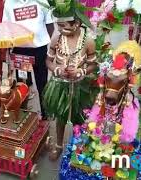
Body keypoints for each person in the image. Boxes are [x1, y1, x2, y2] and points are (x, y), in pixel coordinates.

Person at [43, 1, 99, 160]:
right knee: (60, 117)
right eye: (58, 26)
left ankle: (78, 146)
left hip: (80, 86)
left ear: (77, 24)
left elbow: (93, 64)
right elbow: (48, 61)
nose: (60, 29)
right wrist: (57, 70)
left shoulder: (88, 41)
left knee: (79, 117)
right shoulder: (56, 38)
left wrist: (81, 71)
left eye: (64, 25)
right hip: (59, 85)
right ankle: (59, 145)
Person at [2, 0, 54, 119]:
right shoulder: (9, 3)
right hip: (20, 51)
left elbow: (49, 23)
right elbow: (6, 26)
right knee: (22, 83)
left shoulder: (41, 1)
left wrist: (49, 44)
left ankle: (45, 114)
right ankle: (24, 114)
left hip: (39, 49)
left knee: (42, 83)